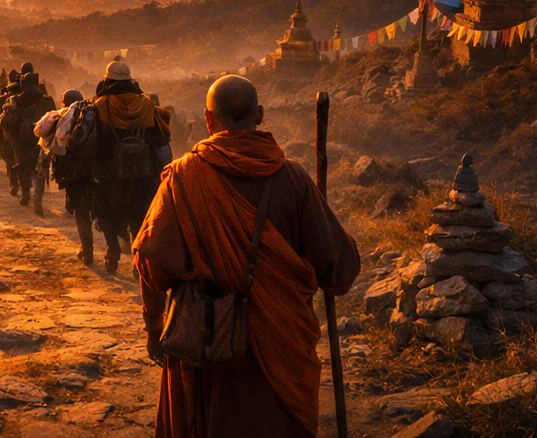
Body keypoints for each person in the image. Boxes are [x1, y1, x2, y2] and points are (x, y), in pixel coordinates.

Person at [134, 75, 360, 438]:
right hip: (279, 350)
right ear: (259, 115)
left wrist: (154, 325)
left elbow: (152, 263)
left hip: (203, 343)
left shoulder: (182, 177)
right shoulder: (294, 179)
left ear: (208, 120)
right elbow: (338, 266)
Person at [94, 60, 170, 274]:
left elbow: (96, 143)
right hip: (142, 173)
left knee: (106, 211)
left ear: (107, 80)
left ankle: (112, 248)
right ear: (130, 79)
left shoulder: (101, 105)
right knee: (139, 215)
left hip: (111, 174)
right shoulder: (146, 104)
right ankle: (138, 260)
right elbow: (160, 139)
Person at [51, 89, 99, 265]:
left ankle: (88, 252)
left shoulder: (63, 118)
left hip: (75, 175)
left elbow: (55, 148)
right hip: (95, 172)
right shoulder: (94, 116)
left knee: (82, 213)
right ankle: (112, 250)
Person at [13, 69, 55, 213]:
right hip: (41, 141)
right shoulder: (46, 100)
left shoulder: (17, 100)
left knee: (24, 168)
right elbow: (53, 120)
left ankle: (25, 195)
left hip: (22, 141)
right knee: (40, 171)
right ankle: (37, 198)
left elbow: (13, 122)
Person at [0, 69, 22, 195]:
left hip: (6, 134)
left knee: (10, 160)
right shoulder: (28, 97)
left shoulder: (3, 98)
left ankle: (14, 184)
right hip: (23, 134)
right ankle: (21, 183)